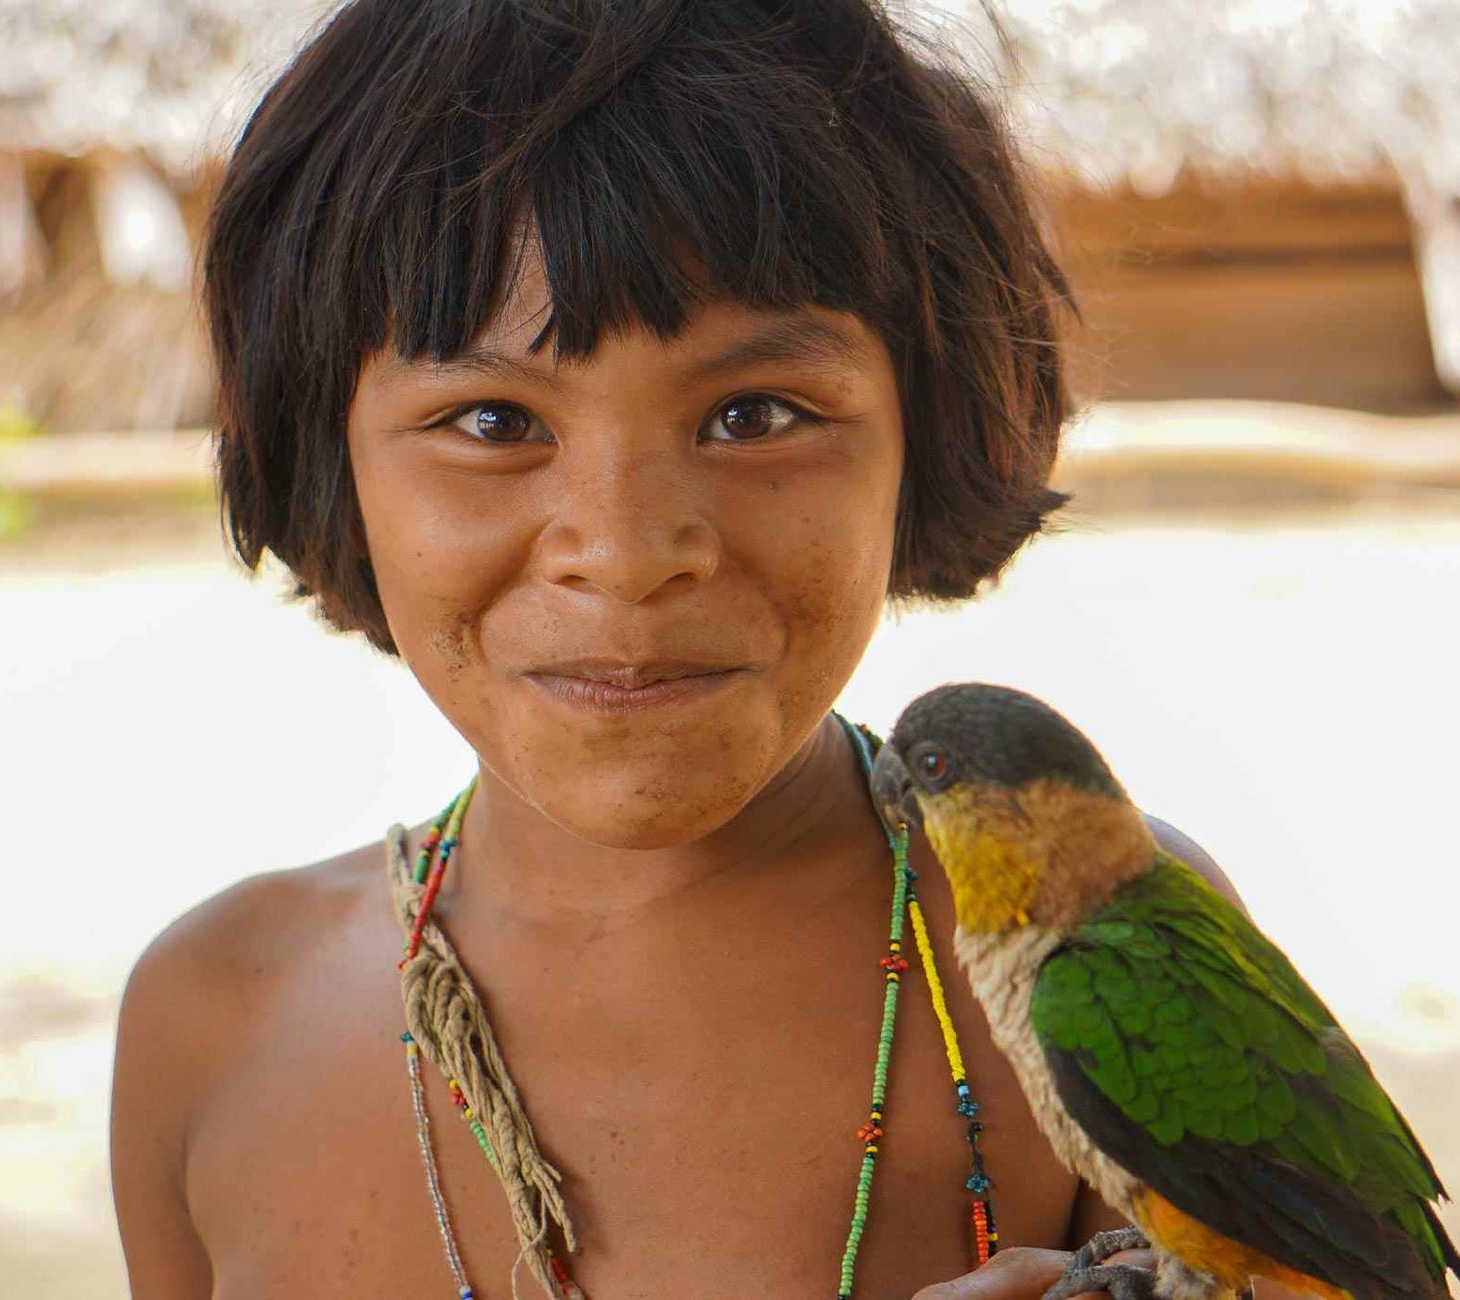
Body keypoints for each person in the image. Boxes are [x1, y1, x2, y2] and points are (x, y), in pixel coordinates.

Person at [108, 1, 1291, 1296]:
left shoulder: (1099, 951)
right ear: (326, 455)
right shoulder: (216, 1022)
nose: (625, 551)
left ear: (927, 431)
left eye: (754, 413)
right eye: (493, 419)